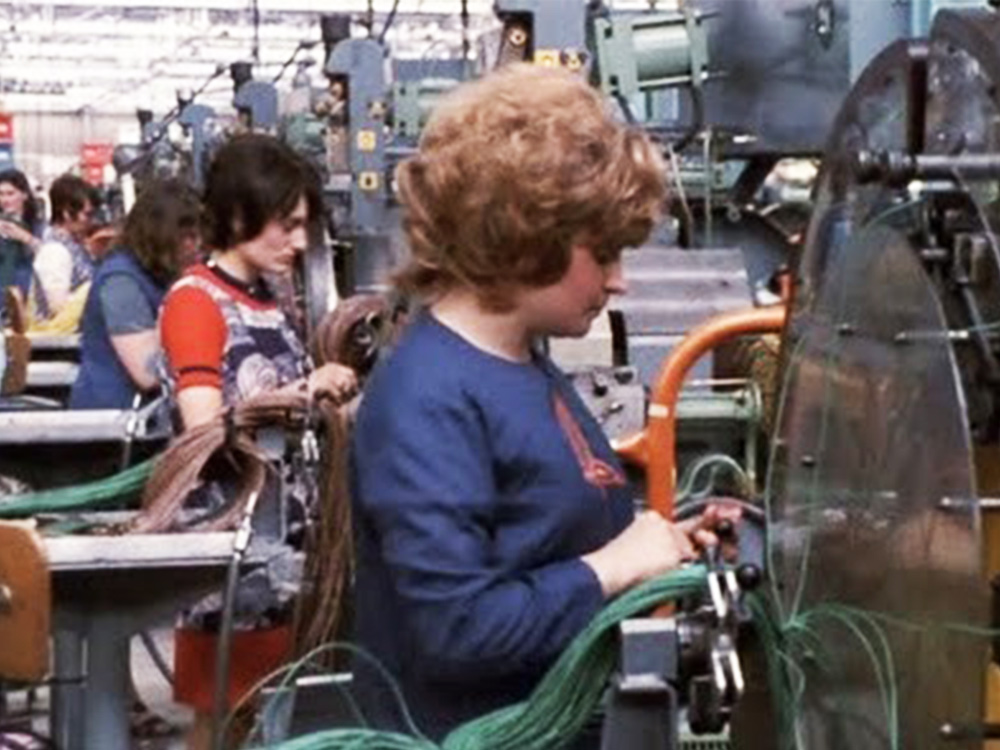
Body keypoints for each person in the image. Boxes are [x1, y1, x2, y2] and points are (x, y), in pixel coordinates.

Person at [350, 63, 738, 743]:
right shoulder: (427, 397)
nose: (619, 282)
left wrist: (666, 540)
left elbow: (544, 540)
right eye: (606, 253)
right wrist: (615, 567)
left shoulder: (525, 362)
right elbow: (456, 629)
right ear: (526, 233)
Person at [158, 134, 357, 750]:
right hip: (231, 554)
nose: (299, 243)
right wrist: (307, 391)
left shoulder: (272, 302)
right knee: (226, 718)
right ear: (241, 212)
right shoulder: (197, 303)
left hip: (287, 547)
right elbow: (203, 428)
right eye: (287, 225)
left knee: (279, 717)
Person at [70, 178, 201, 410]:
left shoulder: (160, 274)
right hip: (112, 423)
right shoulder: (121, 282)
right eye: (187, 236)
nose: (195, 245)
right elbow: (147, 373)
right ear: (160, 234)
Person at [30, 174, 98, 324]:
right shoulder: (54, 251)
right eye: (87, 214)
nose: (91, 220)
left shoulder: (74, 245)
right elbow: (59, 307)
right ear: (67, 213)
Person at [0, 168, 44, 303]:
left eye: (10, 194)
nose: (5, 200)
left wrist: (25, 238)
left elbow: (49, 255)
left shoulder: (38, 225)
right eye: (1, 194)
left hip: (27, 296)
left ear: (24, 195)